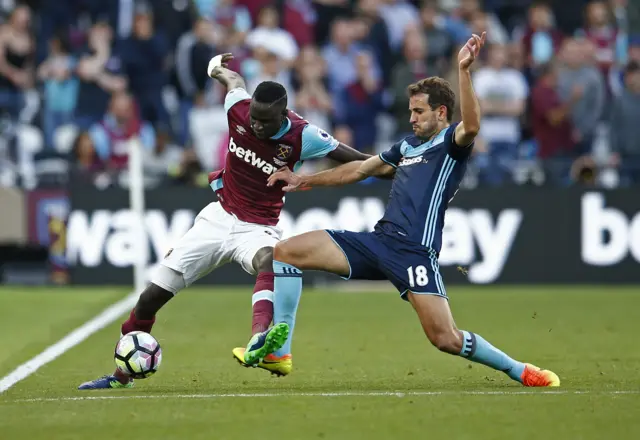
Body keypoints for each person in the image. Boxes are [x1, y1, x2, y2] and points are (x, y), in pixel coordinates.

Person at [245, 33, 560, 388]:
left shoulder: (451, 143)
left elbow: (472, 125)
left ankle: (518, 369)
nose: (411, 118)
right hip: (379, 243)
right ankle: (280, 352)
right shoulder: (407, 145)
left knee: (446, 339)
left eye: (418, 111)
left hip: (415, 254)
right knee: (285, 252)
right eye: (410, 110)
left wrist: (464, 70)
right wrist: (304, 180)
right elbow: (360, 169)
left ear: (441, 113)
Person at [78, 54, 370, 389]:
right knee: (150, 298)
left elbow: (360, 162)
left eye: (265, 122)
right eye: (254, 119)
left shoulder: (305, 136)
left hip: (258, 226)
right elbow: (233, 83)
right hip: (217, 218)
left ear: (284, 115)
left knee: (270, 259)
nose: (256, 126)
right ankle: (120, 377)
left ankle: (259, 338)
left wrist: (399, 166)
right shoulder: (239, 109)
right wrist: (216, 68)